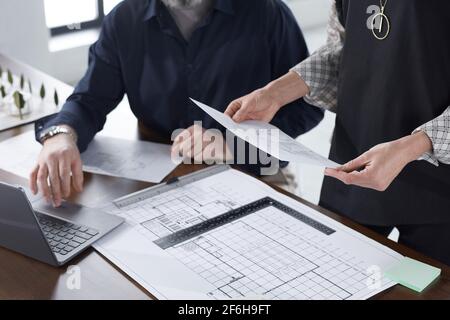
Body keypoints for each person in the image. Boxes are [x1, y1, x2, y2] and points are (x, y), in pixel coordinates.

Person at [30, 0, 324, 207]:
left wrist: (233, 144)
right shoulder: (124, 19)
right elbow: (89, 99)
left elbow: (308, 106)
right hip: (159, 176)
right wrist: (61, 136)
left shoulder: (267, 13)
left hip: (251, 169)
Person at [225, 0, 450, 265]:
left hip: (438, 193)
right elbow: (344, 51)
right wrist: (274, 92)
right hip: (351, 168)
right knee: (333, 279)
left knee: (426, 289)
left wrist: (412, 146)